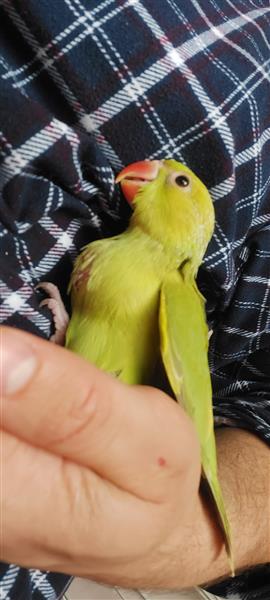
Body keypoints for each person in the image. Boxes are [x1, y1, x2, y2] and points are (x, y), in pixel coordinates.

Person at [0, 1, 269, 599]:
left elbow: (236, 405)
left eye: (176, 179)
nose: (154, 174)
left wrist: (189, 534)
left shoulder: (180, 293)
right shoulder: (111, 252)